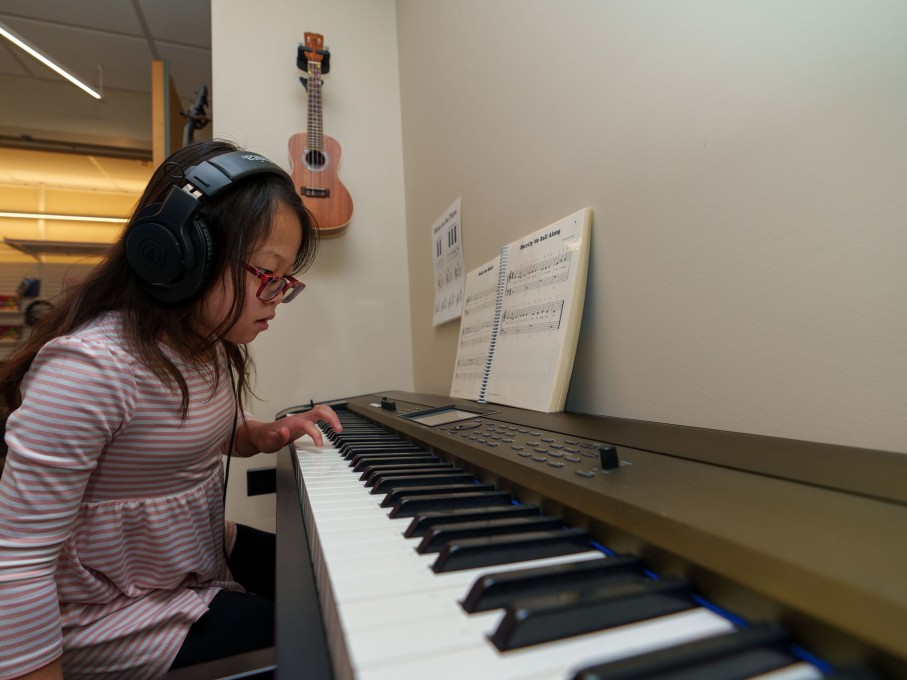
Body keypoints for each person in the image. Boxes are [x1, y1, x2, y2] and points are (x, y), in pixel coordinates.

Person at [0, 139, 341, 679]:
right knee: (315, 640)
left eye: (286, 281)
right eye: (267, 275)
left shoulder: (206, 343)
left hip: (180, 557)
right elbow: (18, 561)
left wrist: (259, 434)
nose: (277, 298)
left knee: (339, 580)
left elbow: (194, 431)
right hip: (104, 608)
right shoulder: (90, 370)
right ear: (182, 253)